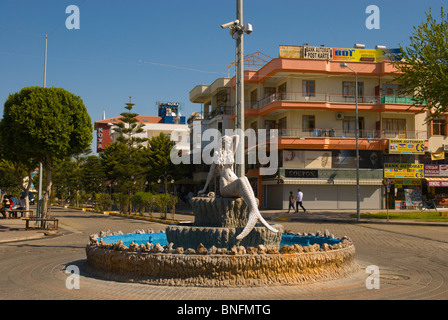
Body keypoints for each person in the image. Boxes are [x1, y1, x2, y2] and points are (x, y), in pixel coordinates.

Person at [198, 135, 278, 240]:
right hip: (226, 187)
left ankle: (254, 211)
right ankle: (253, 211)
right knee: (241, 179)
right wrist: (204, 189)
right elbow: (210, 174)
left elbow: (237, 137)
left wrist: (229, 138)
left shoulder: (230, 154)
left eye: (229, 142)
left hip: (235, 184)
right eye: (226, 142)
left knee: (244, 178)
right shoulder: (217, 157)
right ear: (221, 144)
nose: (228, 144)